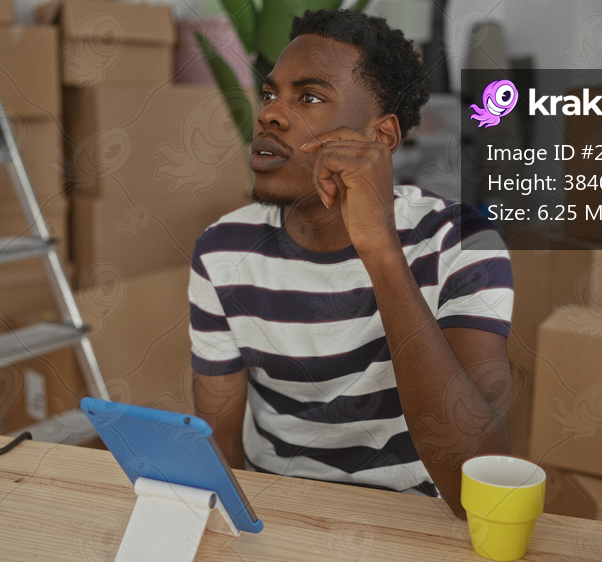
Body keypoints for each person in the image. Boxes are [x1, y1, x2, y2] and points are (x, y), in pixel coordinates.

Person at [188, 9, 513, 519]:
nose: (270, 115)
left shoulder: (461, 243)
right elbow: (220, 449)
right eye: (270, 94)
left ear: (381, 137)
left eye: (309, 98)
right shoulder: (221, 250)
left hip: (416, 519)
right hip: (276, 511)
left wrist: (380, 250)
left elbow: (478, 484)